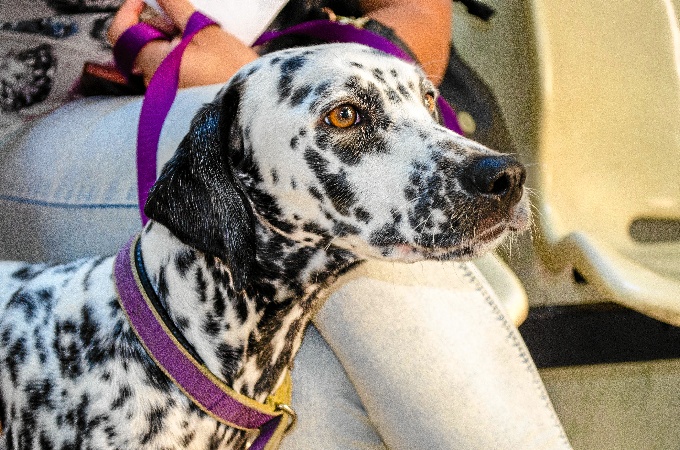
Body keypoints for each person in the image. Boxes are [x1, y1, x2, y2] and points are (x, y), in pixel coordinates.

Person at [0, 0, 572, 447]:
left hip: (270, 82)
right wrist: (250, 92)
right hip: (37, 116)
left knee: (322, 391)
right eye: (350, 117)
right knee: (389, 283)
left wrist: (338, 70)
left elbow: (415, 10)